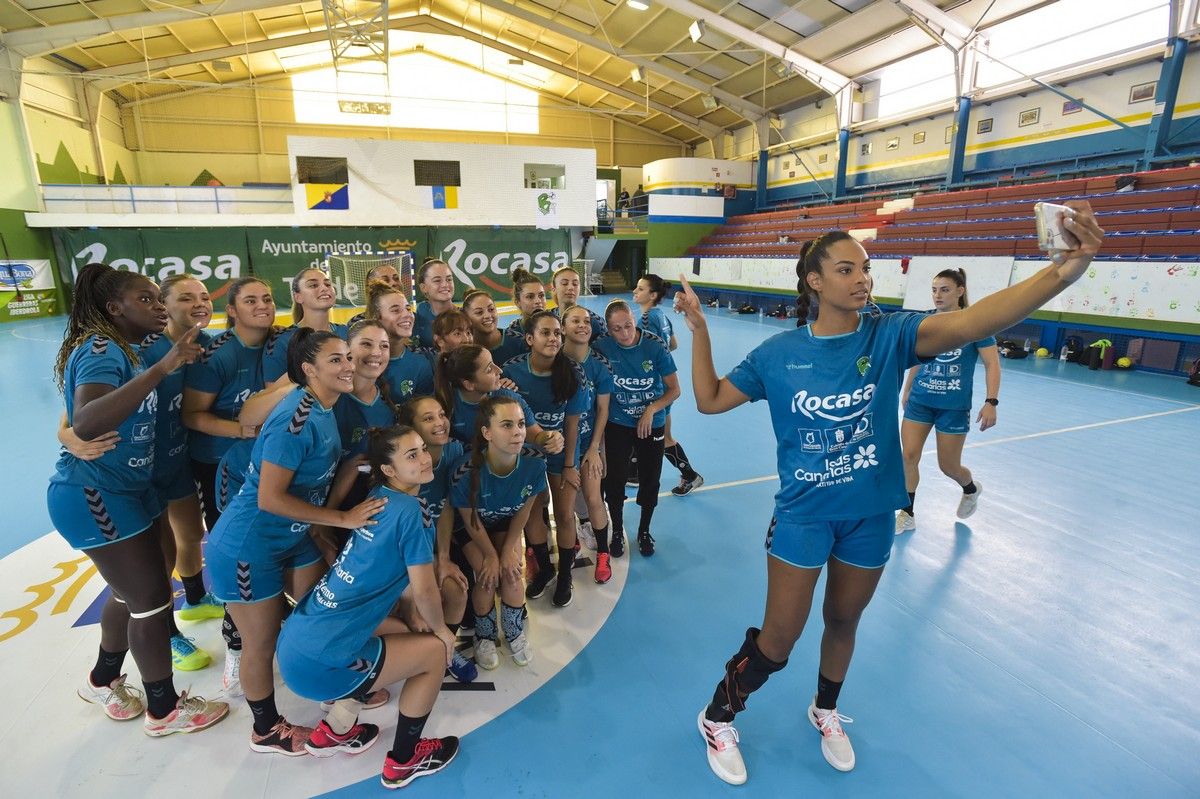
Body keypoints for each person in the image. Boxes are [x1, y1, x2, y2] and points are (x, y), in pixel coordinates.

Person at [675, 205, 1103, 786]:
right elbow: (709, 399)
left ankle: (824, 709)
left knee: (844, 620)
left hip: (871, 515)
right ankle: (718, 713)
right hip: (804, 517)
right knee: (778, 641)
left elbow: (972, 324)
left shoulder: (891, 335)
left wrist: (1063, 271)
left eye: (867, 268)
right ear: (815, 281)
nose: (862, 279)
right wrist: (700, 332)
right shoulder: (777, 354)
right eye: (847, 269)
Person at [48, 262, 228, 735]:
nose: (157, 306)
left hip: (133, 488)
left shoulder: (131, 348)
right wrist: (165, 368)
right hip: (95, 493)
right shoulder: (102, 349)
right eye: (146, 299)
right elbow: (85, 421)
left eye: (155, 298)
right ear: (114, 308)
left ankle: (104, 677)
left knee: (132, 593)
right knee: (149, 599)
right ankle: (164, 710)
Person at [206, 329, 388, 755]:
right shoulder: (297, 419)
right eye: (336, 360)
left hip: (293, 536)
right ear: (309, 370)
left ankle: (328, 685)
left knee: (322, 614)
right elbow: (270, 498)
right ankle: (265, 729)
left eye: (347, 356)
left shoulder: (327, 406)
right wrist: (342, 517)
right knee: (261, 641)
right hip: (249, 547)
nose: (348, 365)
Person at [277, 425, 461, 786]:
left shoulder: (380, 494)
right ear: (389, 470)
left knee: (404, 632)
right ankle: (404, 761)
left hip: (296, 644)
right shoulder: (412, 511)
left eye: (423, 449)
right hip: (320, 663)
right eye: (412, 455)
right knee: (434, 652)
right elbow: (424, 590)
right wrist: (443, 631)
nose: (425, 458)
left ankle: (335, 730)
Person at [897, 269, 1001, 532]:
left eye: (944, 289)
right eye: (934, 290)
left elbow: (992, 364)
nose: (937, 295)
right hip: (921, 401)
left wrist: (991, 401)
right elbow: (918, 358)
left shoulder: (975, 323)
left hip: (953, 407)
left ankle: (970, 488)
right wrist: (907, 389)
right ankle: (906, 513)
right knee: (908, 457)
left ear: (960, 291)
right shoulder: (924, 322)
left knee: (949, 466)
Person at [448, 396, 546, 669]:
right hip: (474, 528)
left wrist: (508, 551)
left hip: (506, 523)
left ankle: (514, 632)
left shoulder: (535, 463)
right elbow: (469, 521)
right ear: (487, 432)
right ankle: (485, 635)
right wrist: (491, 556)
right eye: (506, 425)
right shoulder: (465, 471)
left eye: (521, 424)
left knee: (513, 575)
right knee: (486, 576)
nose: (517, 432)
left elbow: (523, 513)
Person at [504, 311, 589, 607]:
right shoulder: (512, 371)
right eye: (545, 333)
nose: (553, 338)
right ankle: (545, 569)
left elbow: (572, 424)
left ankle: (565, 575)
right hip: (525, 456)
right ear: (529, 339)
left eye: (557, 333)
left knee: (565, 515)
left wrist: (568, 465)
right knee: (532, 515)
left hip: (560, 456)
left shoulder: (573, 372)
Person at [395, 396, 477, 683]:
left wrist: (443, 558)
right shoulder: (399, 465)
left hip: (428, 550)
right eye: (428, 418)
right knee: (415, 610)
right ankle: (418, 657)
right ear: (410, 427)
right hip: (398, 557)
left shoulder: (453, 450)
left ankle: (446, 649)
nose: (440, 422)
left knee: (457, 590)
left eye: (441, 414)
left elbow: (446, 507)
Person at [592, 300, 680, 557]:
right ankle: (617, 530)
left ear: (634, 320)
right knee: (614, 479)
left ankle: (644, 530)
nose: (625, 334)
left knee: (650, 479)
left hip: (652, 423)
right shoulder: (602, 347)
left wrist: (652, 409)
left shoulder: (654, 346)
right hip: (618, 422)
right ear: (608, 329)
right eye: (617, 329)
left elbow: (675, 389)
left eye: (628, 326)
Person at [633, 274, 704, 497]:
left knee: (655, 435)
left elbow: (642, 353)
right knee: (663, 436)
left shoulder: (645, 319)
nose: (635, 291)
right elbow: (672, 344)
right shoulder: (661, 316)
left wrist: (645, 367)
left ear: (652, 295)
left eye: (640, 288)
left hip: (654, 388)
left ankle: (690, 475)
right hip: (665, 383)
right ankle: (687, 475)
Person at [561, 304, 614, 584]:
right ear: (563, 327)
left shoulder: (599, 365)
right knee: (564, 504)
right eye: (575, 321)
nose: (582, 325)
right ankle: (571, 547)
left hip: (587, 443)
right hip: (559, 447)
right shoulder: (555, 360)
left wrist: (596, 448)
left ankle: (603, 553)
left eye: (586, 321)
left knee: (594, 498)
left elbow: (602, 410)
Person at [433, 344, 562, 454]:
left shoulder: (508, 397)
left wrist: (550, 438)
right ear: (469, 384)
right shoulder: (444, 405)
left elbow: (535, 435)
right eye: (489, 369)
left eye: (494, 363)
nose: (499, 370)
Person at [263, 267, 349, 382]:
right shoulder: (281, 341)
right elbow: (273, 393)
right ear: (298, 297)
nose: (324, 288)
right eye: (313, 285)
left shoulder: (348, 333)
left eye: (328, 284)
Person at [365, 281, 435, 403]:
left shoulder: (421, 364)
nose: (407, 315)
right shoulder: (360, 363)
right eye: (396, 310)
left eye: (408, 309)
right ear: (377, 318)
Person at [463, 289, 524, 365]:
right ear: (466, 317)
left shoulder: (520, 342)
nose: (488, 316)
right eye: (479, 312)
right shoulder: (464, 349)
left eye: (491, 309)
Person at [550, 266, 605, 342]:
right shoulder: (546, 318)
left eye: (575, 284)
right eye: (564, 283)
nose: (571, 287)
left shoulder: (596, 321)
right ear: (554, 289)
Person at [414, 258, 457, 349]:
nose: (445, 285)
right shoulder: (422, 309)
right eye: (437, 280)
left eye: (449, 279)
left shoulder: (465, 316)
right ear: (423, 288)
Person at [501, 268, 547, 354]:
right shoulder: (511, 335)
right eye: (530, 297)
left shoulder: (557, 326)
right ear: (517, 302)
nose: (538, 301)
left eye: (541, 295)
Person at [347, 262, 405, 327]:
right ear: (371, 287)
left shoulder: (412, 318)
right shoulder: (357, 323)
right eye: (385, 280)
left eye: (396, 278)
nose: (393, 283)